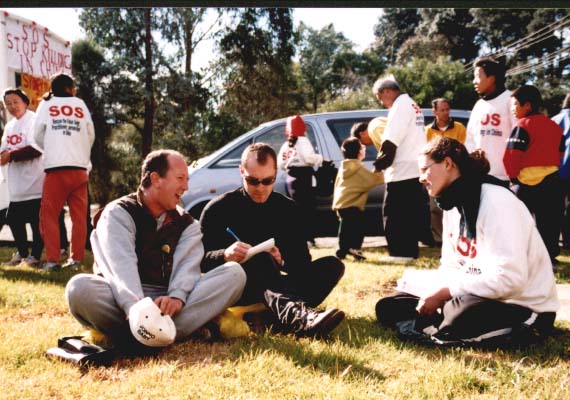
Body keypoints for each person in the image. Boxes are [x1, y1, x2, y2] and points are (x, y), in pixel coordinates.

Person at [375, 137, 559, 346]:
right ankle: (436, 321)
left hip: (519, 303)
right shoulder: (451, 202)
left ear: (448, 163)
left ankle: (439, 324)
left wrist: (445, 292)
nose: (421, 178)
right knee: (390, 305)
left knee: (459, 316)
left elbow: (510, 280)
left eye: (425, 169)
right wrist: (437, 292)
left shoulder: (497, 202)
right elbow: (452, 265)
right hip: (474, 293)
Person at [65, 149, 246, 352]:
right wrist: (137, 309)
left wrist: (177, 297)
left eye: (187, 180)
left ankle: (140, 335)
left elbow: (187, 267)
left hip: (166, 303)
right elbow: (121, 267)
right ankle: (158, 331)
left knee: (234, 274)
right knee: (78, 288)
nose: (185, 187)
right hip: (122, 300)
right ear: (156, 179)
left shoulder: (188, 224)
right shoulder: (118, 213)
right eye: (180, 179)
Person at [200, 143, 345, 337]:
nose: (260, 188)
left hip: (276, 286)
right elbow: (199, 261)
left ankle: (269, 318)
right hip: (236, 290)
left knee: (332, 266)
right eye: (252, 181)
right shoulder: (218, 209)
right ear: (241, 171)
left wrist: (282, 260)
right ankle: (297, 317)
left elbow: (302, 264)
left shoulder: (288, 209)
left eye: (268, 181)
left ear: (276, 174)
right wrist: (225, 255)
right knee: (260, 259)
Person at [33, 74, 95, 271]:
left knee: (49, 216)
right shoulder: (80, 104)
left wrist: (51, 148)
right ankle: (76, 260)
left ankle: (53, 260)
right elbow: (90, 134)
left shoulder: (46, 104)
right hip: (79, 169)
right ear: (70, 88)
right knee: (79, 218)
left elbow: (37, 135)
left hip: (56, 168)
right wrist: (80, 152)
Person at [503, 85, 564, 263]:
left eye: (515, 104)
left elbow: (511, 155)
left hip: (524, 184)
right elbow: (561, 152)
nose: (512, 109)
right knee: (550, 223)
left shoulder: (522, 125)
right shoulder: (554, 126)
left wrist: (513, 178)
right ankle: (549, 257)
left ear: (527, 106)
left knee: (519, 222)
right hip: (552, 181)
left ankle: (520, 256)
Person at [372, 74, 427, 261]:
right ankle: (409, 252)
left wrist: (379, 164)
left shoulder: (399, 107)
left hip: (401, 170)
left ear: (387, 91)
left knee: (394, 214)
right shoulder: (411, 104)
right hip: (414, 167)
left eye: (380, 97)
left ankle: (399, 253)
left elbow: (391, 140)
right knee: (410, 214)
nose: (381, 103)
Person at [0, 88, 44, 267]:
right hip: (17, 185)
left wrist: (11, 155)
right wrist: (4, 155)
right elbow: (4, 149)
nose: (12, 106)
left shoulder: (34, 120)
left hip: (35, 181)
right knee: (13, 219)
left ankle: (35, 256)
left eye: (15, 102)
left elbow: (37, 148)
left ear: (25, 102)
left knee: (36, 222)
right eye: (8, 104)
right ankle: (23, 253)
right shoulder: (10, 126)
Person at [465, 57, 517, 184]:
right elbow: (470, 139)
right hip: (478, 175)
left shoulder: (511, 101)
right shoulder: (479, 105)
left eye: (478, 76)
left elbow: (518, 138)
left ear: (492, 78)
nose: (474, 81)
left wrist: (514, 174)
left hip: (504, 177)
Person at [332, 137, 384, 260]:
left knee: (346, 228)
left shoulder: (344, 166)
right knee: (358, 228)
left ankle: (342, 249)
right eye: (362, 147)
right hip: (353, 204)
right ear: (359, 152)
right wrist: (380, 171)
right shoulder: (357, 167)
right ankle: (353, 248)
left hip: (342, 203)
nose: (364, 149)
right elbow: (371, 180)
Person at [426, 98, 467, 245]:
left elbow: (464, 150)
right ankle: (439, 240)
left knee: (455, 207)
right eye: (442, 110)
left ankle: (458, 237)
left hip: (454, 174)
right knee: (435, 208)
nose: (446, 112)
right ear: (435, 111)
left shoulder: (459, 128)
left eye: (447, 109)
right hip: (436, 174)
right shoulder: (427, 131)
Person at [277, 115, 323, 245]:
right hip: (304, 178)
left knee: (294, 209)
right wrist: (319, 158)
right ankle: (308, 238)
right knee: (307, 209)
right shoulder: (303, 141)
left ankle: (297, 237)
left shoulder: (286, 145)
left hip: (290, 178)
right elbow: (309, 158)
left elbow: (280, 164)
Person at [552, 87, 570, 250]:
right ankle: (569, 241)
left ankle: (552, 240)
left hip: (553, 169)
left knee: (554, 207)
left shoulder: (554, 119)